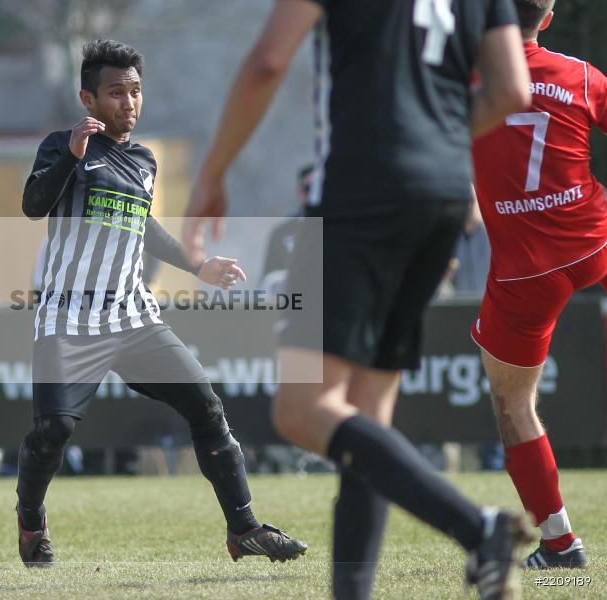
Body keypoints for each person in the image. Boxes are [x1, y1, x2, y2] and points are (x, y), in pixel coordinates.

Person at [184, 1, 534, 599]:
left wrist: (213, 172)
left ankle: (479, 530)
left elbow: (269, 61)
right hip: (446, 195)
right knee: (366, 421)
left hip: (359, 192)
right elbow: (510, 90)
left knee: (301, 410)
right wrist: (439, 138)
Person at [15, 39, 308, 568]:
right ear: (88, 98)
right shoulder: (64, 145)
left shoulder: (144, 160)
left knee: (206, 406)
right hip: (69, 315)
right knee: (53, 430)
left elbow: (141, 227)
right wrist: (72, 158)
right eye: (115, 92)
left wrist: (199, 266)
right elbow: (35, 206)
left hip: (132, 316)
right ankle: (31, 519)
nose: (128, 103)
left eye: (135, 92)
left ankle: (244, 528)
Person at [471, 0, 607, 570]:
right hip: (594, 239)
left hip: (526, 270)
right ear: (546, 19)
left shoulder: (467, 83)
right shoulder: (580, 74)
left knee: (513, 403)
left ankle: (559, 545)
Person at [259, 164, 314, 295]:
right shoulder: (282, 233)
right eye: (309, 188)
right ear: (299, 192)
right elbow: (268, 280)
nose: (315, 195)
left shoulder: (344, 230)